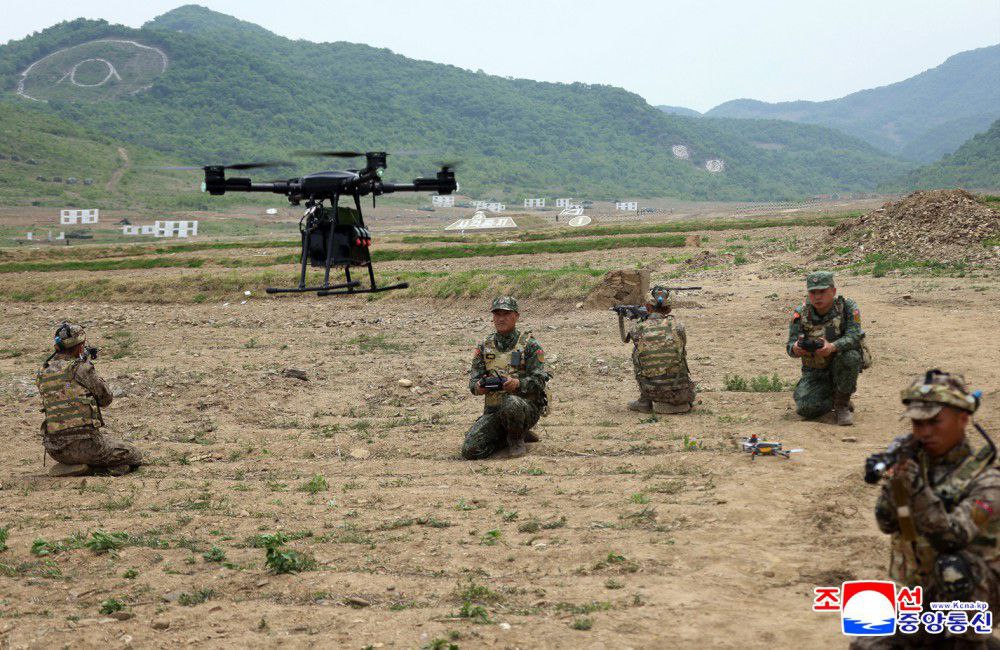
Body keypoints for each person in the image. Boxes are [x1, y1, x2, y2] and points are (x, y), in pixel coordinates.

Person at [854, 370, 998, 648]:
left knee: (953, 567)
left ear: (963, 419)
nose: (924, 432)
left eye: (934, 421)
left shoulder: (987, 480)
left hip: (975, 594)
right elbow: (888, 524)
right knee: (868, 645)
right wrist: (895, 484)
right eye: (917, 423)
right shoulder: (916, 464)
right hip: (924, 595)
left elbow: (952, 538)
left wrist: (917, 489)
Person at [36, 322, 142, 476]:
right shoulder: (80, 368)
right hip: (87, 446)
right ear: (80, 346)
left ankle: (71, 466)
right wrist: (88, 367)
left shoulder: (43, 372)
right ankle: (91, 469)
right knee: (133, 454)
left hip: (55, 449)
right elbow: (106, 399)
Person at [462, 297, 550, 459]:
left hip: (525, 408)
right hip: (494, 410)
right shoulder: (484, 346)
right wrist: (479, 387)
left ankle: (516, 438)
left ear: (516, 316)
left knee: (512, 402)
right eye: (497, 314)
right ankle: (511, 433)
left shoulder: (530, 345)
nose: (501, 318)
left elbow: (539, 381)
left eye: (506, 314)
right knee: (471, 450)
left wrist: (518, 384)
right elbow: (473, 383)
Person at [787, 271, 868, 425]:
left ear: (833, 291)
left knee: (851, 356)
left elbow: (854, 336)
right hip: (815, 370)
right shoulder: (801, 313)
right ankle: (832, 397)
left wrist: (833, 347)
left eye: (823, 292)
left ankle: (842, 404)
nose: (818, 297)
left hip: (841, 364)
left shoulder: (847, 307)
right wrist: (796, 348)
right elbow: (790, 346)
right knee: (805, 409)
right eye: (813, 292)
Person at [621, 286, 695, 414]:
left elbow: (630, 338)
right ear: (669, 309)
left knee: (637, 352)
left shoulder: (637, 329)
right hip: (681, 394)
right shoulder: (678, 326)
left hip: (653, 392)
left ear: (648, 307)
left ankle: (644, 401)